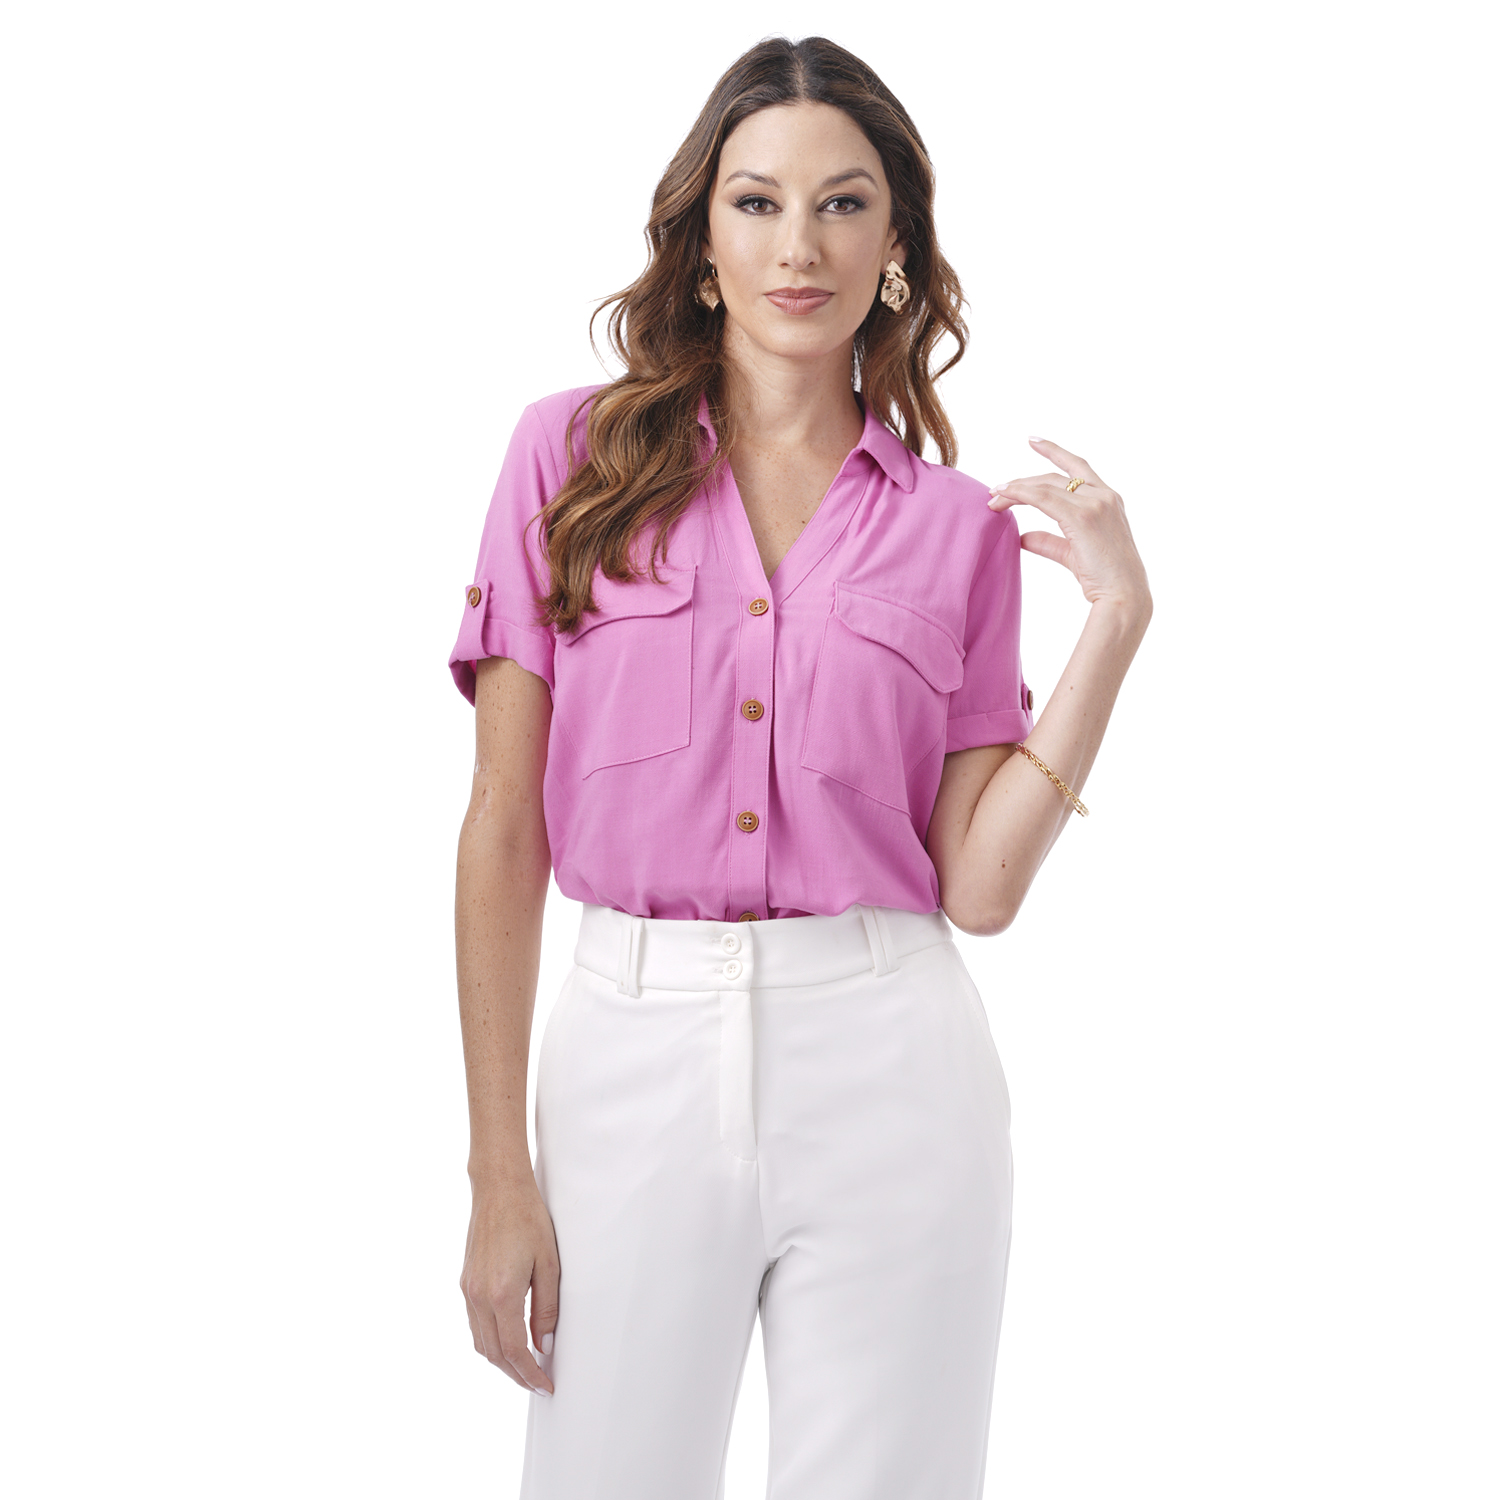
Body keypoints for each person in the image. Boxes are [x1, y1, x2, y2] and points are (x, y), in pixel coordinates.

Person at [449, 34, 1151, 1500]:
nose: (799, 246)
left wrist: (1116, 622)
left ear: (896, 246)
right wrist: (498, 1171)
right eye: (758, 202)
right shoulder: (565, 462)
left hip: (892, 1062)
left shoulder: (955, 529)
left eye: (843, 204)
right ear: (702, 240)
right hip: (628, 1054)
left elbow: (979, 887)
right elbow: (505, 823)